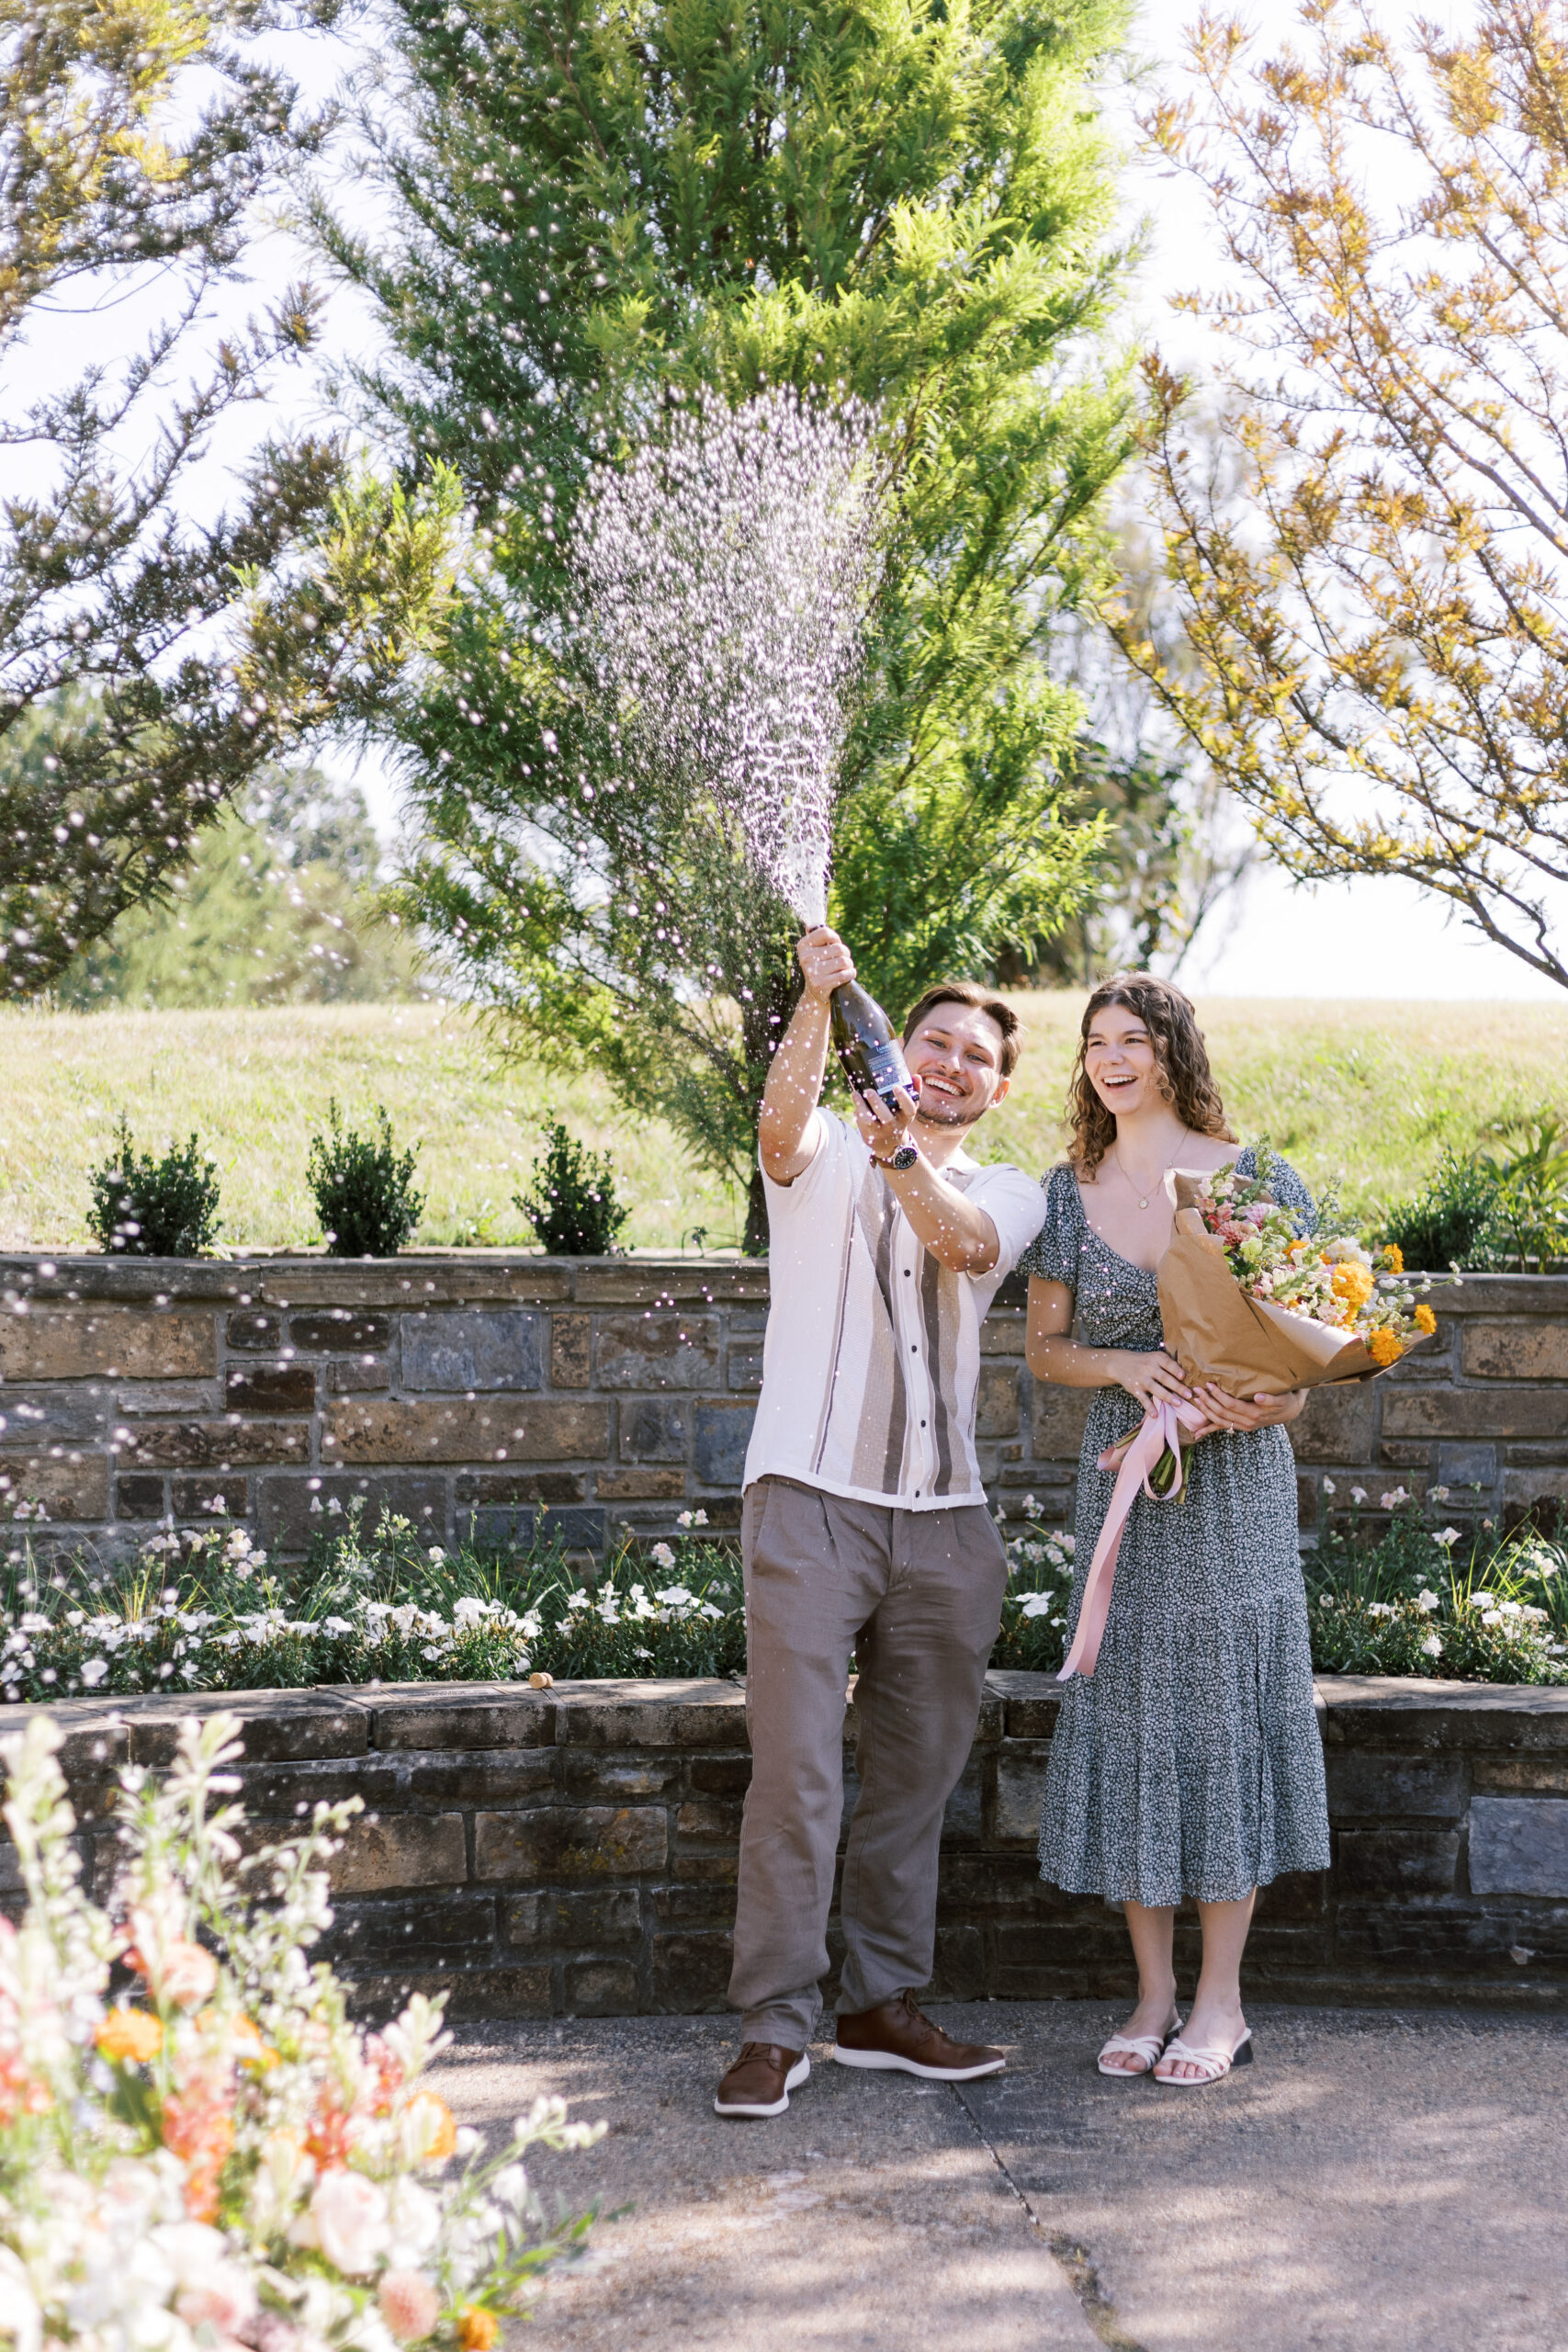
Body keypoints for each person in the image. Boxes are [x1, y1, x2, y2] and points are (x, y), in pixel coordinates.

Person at [714, 926, 1046, 2120]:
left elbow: (956, 1242)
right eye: (934, 1041)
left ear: (996, 1088)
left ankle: (878, 2007)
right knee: (795, 1779)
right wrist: (815, 999)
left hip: (946, 1528)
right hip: (806, 1502)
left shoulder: (1007, 1191)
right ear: (894, 1048)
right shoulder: (817, 1157)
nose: (952, 1062)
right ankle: (775, 2027)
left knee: (913, 1785)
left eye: (974, 1056)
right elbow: (776, 1124)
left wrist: (903, 1150)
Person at [1020, 973, 1330, 2087]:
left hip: (1236, 1486)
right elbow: (1044, 1349)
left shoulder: (1255, 1176)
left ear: (1171, 1052)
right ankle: (1150, 1994)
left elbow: (1307, 1351)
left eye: (1133, 1039)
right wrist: (1126, 1366)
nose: (1111, 1058)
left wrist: (1266, 1400)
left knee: (1224, 1727)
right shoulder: (1069, 1190)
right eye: (1096, 1041)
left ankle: (1220, 2001)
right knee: (1139, 1723)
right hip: (1125, 1489)